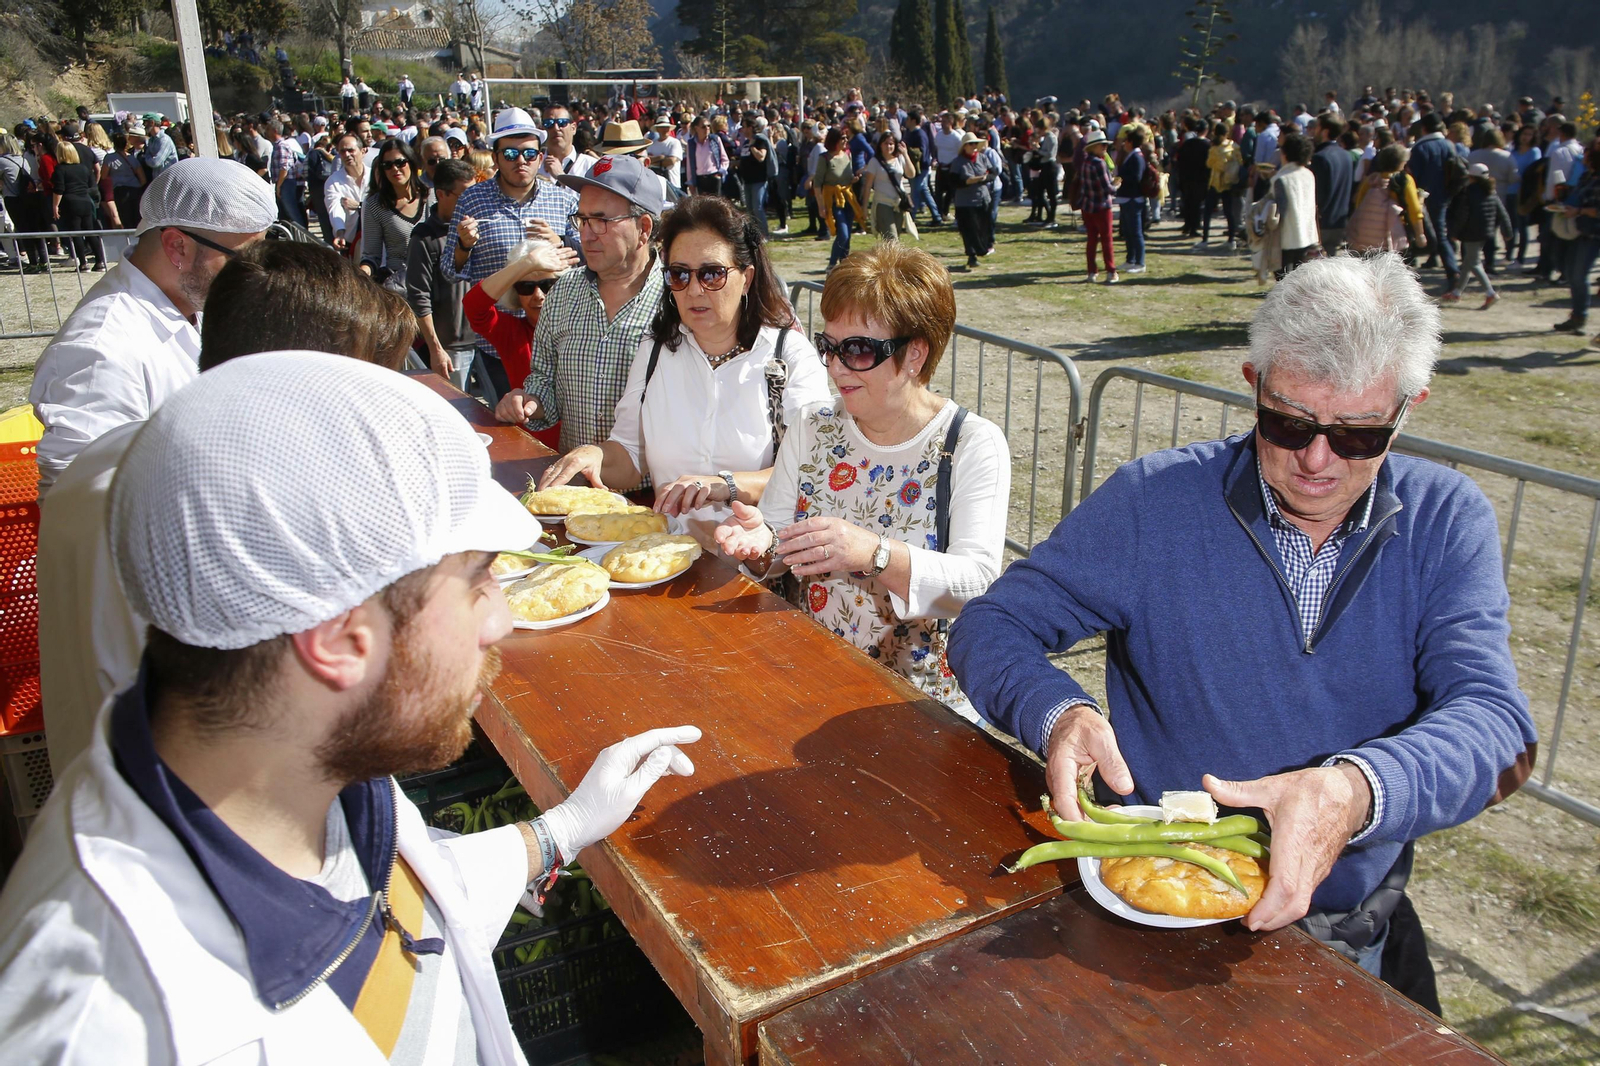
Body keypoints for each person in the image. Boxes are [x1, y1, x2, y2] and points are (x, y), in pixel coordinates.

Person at [1, 349, 701, 1062]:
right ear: (337, 643)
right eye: (477, 579)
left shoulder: (300, 765)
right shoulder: (117, 1028)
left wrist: (560, 832)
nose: (498, 619)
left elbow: (401, 899)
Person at [949, 253, 1535, 1010]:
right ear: (1253, 382)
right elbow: (994, 623)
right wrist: (1057, 712)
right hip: (1160, 916)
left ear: (1408, 408)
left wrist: (1356, 790)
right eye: (1288, 424)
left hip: (1348, 926)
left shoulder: (1448, 520)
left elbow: (1492, 718)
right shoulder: (1153, 503)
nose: (1317, 461)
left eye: (1357, 436)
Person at [37, 240, 413, 776]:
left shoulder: (125, 450)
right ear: (300, 382)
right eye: (359, 392)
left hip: (100, 779)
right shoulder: (229, 504)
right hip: (186, 808)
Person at [718, 242, 1010, 718]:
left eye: (856, 350)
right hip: (807, 676)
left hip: (919, 707)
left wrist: (874, 553)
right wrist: (759, 545)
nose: (833, 367)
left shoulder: (971, 443)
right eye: (829, 346)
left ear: (915, 354)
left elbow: (977, 583)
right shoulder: (813, 426)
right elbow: (774, 548)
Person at [538, 195, 831, 545]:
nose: (694, 290)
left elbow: (811, 469)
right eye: (679, 275)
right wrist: (595, 455)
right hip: (668, 557)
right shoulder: (655, 350)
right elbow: (630, 454)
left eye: (712, 274)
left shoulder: (789, 355)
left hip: (762, 568)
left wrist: (725, 486)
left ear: (747, 277)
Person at [29, 158, 276, 493]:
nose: (253, 272)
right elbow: (82, 504)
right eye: (244, 258)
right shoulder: (99, 351)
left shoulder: (193, 299)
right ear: (177, 247)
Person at [493, 155, 664, 459]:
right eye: (582, 219)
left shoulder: (678, 300)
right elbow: (544, 377)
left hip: (658, 494)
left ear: (644, 228)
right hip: (576, 490)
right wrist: (529, 401)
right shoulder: (562, 293)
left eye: (601, 221)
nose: (586, 234)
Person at [443, 108, 580, 291]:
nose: (521, 160)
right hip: (496, 317)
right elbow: (449, 272)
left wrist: (560, 242)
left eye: (529, 154)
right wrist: (464, 246)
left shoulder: (563, 201)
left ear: (540, 158)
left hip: (552, 316)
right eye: (510, 154)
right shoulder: (471, 200)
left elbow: (587, 263)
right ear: (496, 159)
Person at [462, 236, 574, 445]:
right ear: (515, 294)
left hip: (585, 448)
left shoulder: (586, 326)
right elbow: (474, 306)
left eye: (548, 285)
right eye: (525, 287)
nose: (538, 295)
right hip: (534, 450)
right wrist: (527, 263)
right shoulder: (511, 332)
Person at [360, 137, 429, 292]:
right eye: (388, 165)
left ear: (411, 162)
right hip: (401, 287)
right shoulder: (375, 205)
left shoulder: (432, 196)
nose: (395, 169)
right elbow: (371, 256)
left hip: (435, 282)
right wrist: (360, 275)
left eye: (400, 162)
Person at [1442, 162, 1512, 308]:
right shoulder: (1491, 191)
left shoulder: (1467, 192)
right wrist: (1507, 231)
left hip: (1471, 233)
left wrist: (1454, 233)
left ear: (1470, 177)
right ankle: (1457, 292)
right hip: (1485, 232)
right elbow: (1502, 212)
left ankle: (1490, 293)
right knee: (1468, 262)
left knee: (1474, 263)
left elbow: (1462, 215)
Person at [1550, 138, 1600, 337]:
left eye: (1587, 153)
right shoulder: (1587, 176)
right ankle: (1577, 316)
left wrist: (1579, 210)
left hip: (1593, 233)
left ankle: (1580, 317)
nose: (1583, 157)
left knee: (1579, 274)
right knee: (1572, 273)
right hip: (1579, 229)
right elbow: (1577, 197)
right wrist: (1563, 198)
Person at [1407, 112, 1462, 291]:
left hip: (1423, 197)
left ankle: (1452, 271)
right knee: (1440, 233)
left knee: (1430, 234)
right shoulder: (1449, 145)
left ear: (1424, 129)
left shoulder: (1420, 148)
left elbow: (1413, 175)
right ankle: (1450, 269)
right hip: (1446, 195)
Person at [1347, 145, 1425, 257]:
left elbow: (1359, 205)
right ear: (1401, 162)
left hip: (1367, 237)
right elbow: (1414, 211)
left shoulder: (1371, 180)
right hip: (1394, 236)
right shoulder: (1404, 180)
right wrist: (1420, 234)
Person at [48, 138, 104, 273]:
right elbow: (91, 184)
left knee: (76, 233)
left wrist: (55, 206)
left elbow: (59, 189)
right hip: (85, 201)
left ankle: (83, 263)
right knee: (90, 231)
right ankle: (100, 261)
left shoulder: (60, 169)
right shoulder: (84, 168)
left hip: (70, 202)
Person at [1271, 132, 1319, 278]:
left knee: (1283, 278)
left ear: (1284, 153)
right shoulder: (1308, 174)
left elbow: (1279, 211)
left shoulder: (1281, 178)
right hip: (1307, 233)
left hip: (1286, 236)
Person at [1076, 129, 1118, 283]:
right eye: (1102, 145)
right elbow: (1107, 188)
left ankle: (1092, 272)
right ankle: (1111, 271)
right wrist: (1116, 187)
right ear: (1093, 147)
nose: (1105, 148)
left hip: (1087, 206)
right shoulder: (1100, 164)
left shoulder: (1085, 163)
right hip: (1102, 206)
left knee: (1092, 240)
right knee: (1107, 240)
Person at [815, 128, 858, 271]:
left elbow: (847, 176)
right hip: (833, 200)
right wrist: (821, 206)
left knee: (847, 235)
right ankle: (832, 264)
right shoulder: (825, 159)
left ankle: (844, 264)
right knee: (843, 234)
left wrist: (854, 179)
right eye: (843, 138)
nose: (846, 141)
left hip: (848, 198)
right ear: (835, 141)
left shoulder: (847, 155)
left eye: (846, 138)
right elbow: (817, 184)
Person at [950, 132, 994, 271]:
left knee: (982, 226)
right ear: (964, 146)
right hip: (965, 201)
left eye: (976, 144)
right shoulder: (958, 162)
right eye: (971, 144)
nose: (974, 146)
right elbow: (953, 182)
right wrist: (968, 182)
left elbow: (993, 173)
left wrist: (983, 179)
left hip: (983, 198)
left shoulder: (982, 158)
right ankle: (972, 254)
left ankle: (983, 247)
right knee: (969, 229)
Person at [1310, 114, 1353, 252]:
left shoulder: (1320, 158)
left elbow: (1317, 193)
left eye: (1316, 127)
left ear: (1325, 132)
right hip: (1340, 220)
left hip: (1323, 223)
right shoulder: (1346, 155)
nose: (1313, 131)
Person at [862, 130, 913, 242]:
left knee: (895, 237)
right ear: (880, 145)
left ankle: (890, 259)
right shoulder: (874, 162)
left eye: (891, 143)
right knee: (891, 238)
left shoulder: (899, 159)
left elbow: (911, 174)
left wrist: (905, 154)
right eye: (885, 143)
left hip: (898, 203)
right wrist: (865, 207)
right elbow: (868, 186)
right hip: (882, 203)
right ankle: (892, 258)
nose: (889, 146)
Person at [324, 132, 368, 253]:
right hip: (350, 241)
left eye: (351, 150)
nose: (347, 155)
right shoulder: (333, 181)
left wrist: (359, 206)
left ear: (363, 151)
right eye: (342, 151)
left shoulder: (376, 176)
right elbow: (334, 207)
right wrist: (340, 232)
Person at [1203, 120, 1242, 247]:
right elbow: (1240, 162)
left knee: (1208, 211)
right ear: (1227, 132)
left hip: (1215, 181)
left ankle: (1205, 239)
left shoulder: (1214, 148)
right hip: (1229, 181)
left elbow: (1208, 164)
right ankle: (1231, 240)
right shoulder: (1234, 146)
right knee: (1228, 212)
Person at [1115, 126, 1149, 273]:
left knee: (1136, 232)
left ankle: (1140, 263)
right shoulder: (1131, 156)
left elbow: (1136, 178)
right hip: (1126, 198)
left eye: (1126, 140)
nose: (1123, 143)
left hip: (1133, 198)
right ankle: (1131, 259)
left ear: (1130, 142)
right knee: (1128, 232)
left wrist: (1120, 180)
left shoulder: (1137, 157)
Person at [684, 114, 727, 196]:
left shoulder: (715, 139)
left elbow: (724, 159)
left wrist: (721, 172)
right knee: (703, 206)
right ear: (696, 128)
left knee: (716, 205)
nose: (707, 128)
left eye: (708, 126)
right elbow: (689, 164)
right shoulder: (691, 143)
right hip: (700, 180)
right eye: (703, 127)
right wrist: (690, 181)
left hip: (714, 177)